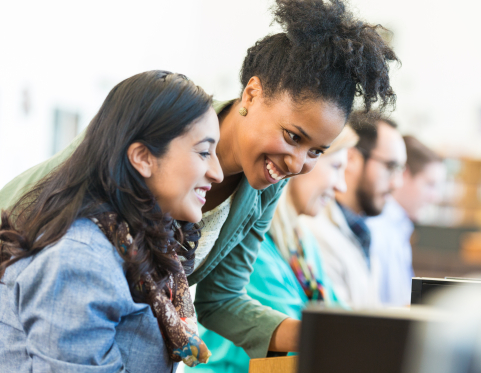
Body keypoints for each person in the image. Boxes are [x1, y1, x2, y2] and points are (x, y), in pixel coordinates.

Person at [0, 0, 398, 360]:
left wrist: (328, 335)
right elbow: (51, 238)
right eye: (293, 137)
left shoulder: (265, 185)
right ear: (252, 95)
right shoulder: (161, 127)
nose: (297, 164)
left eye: (316, 152)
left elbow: (221, 298)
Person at [0, 71, 223, 372]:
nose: (218, 173)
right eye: (204, 152)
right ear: (143, 157)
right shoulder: (82, 260)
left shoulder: (134, 242)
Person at [189, 126, 358, 373]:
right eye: (335, 167)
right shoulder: (254, 246)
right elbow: (301, 339)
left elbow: (338, 316)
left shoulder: (301, 242)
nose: (342, 186)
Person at [302, 110, 406, 308]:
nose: (397, 183)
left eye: (400, 170)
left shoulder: (361, 229)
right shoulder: (316, 231)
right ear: (352, 158)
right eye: (391, 167)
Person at [366, 135, 445, 306]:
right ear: (404, 174)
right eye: (430, 184)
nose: (435, 197)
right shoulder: (378, 228)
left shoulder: (399, 227)